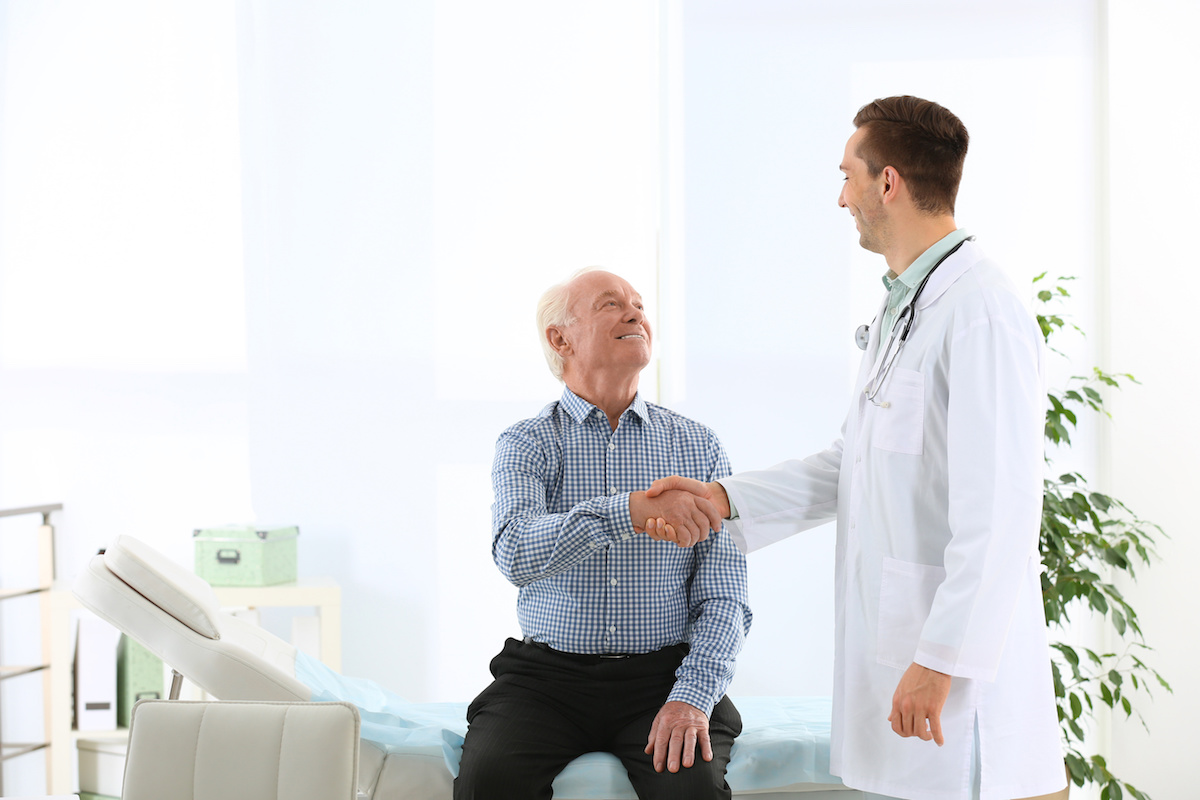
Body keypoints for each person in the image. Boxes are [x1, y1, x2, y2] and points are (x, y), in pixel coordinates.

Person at [646, 97, 1066, 800]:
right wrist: (722, 498)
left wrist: (938, 661)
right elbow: (853, 465)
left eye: (849, 176)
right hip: (909, 673)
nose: (842, 197)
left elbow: (1001, 511)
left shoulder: (978, 312)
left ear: (889, 183)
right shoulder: (908, 308)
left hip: (961, 700)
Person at [453, 269, 752, 800]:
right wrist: (629, 511)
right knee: (488, 782)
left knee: (692, 789)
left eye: (639, 304)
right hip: (546, 682)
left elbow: (725, 595)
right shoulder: (527, 443)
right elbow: (515, 550)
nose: (636, 313)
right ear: (560, 338)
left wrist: (692, 696)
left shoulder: (698, 447)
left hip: (662, 677)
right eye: (611, 304)